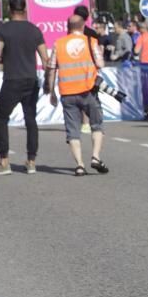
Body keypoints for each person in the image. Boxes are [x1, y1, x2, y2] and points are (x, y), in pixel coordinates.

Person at [0, 0, 49, 174]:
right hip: (31, 79)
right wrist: (48, 81)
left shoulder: (3, 29)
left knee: (2, 118)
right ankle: (31, 161)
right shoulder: (34, 30)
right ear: (24, 8)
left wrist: (5, 57)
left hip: (12, 79)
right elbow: (45, 59)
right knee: (30, 120)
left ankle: (4, 161)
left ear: (9, 8)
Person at [44, 15, 109, 176]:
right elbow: (100, 64)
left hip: (67, 92)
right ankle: (95, 156)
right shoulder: (90, 42)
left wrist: (51, 91)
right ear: (83, 26)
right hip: (88, 91)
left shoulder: (58, 44)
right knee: (96, 124)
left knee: (72, 130)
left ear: (68, 27)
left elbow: (51, 68)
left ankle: (80, 165)